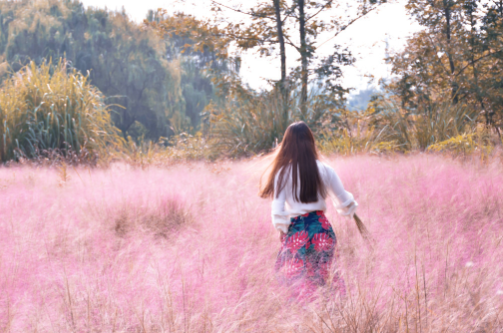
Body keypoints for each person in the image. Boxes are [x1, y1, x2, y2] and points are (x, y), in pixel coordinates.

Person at [260, 121, 357, 299]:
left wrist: (282, 231)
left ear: (287, 144)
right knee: (325, 276)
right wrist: (351, 208)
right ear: (311, 142)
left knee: (296, 280)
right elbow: (344, 201)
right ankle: (333, 313)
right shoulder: (326, 170)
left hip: (296, 232)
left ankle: (304, 319)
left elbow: (278, 211)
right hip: (321, 229)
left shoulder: (282, 173)